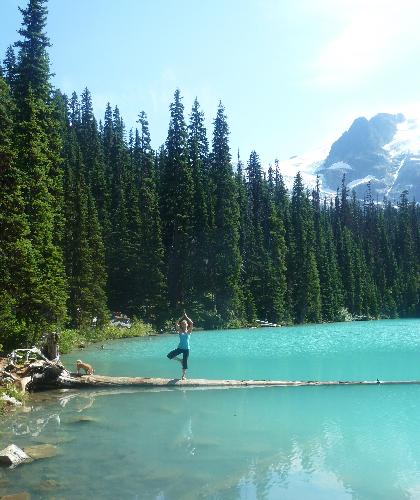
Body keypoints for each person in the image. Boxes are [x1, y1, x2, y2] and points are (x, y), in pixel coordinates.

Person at [167, 311, 193, 380]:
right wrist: (182, 317)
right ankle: (180, 360)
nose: (183, 325)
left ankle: (183, 376)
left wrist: (186, 316)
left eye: (185, 324)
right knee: (169, 355)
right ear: (181, 325)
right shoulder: (180, 331)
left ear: (187, 325)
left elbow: (192, 323)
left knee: (185, 363)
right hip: (180, 348)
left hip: (186, 349)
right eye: (182, 324)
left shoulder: (189, 331)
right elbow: (176, 323)